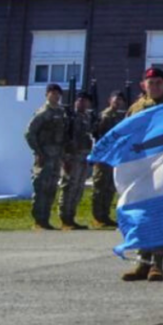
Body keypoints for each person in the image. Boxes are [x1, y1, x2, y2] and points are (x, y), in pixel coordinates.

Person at [120, 67, 163, 282]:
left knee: (160, 214)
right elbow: (124, 135)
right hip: (140, 169)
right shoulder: (136, 108)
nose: (155, 87)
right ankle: (142, 262)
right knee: (141, 214)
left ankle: (157, 264)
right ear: (144, 85)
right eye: (151, 83)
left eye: (159, 83)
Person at [25, 83, 68, 230]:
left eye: (57, 93)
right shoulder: (43, 113)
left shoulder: (61, 113)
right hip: (44, 156)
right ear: (47, 94)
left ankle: (46, 220)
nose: (55, 96)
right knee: (41, 188)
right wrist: (38, 152)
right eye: (52, 93)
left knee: (51, 189)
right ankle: (39, 220)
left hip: (56, 156)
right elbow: (29, 133)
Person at [58, 91, 94, 231]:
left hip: (83, 157)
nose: (82, 103)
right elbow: (64, 137)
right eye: (79, 100)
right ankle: (64, 218)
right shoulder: (69, 117)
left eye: (85, 101)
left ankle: (71, 217)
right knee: (68, 187)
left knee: (78, 188)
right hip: (71, 157)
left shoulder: (87, 117)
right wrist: (65, 158)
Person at [91, 91, 128, 228]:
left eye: (120, 100)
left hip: (114, 156)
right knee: (100, 187)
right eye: (116, 99)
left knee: (109, 187)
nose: (118, 102)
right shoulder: (105, 116)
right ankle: (97, 217)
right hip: (103, 156)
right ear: (109, 100)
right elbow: (99, 135)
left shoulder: (119, 117)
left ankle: (105, 216)